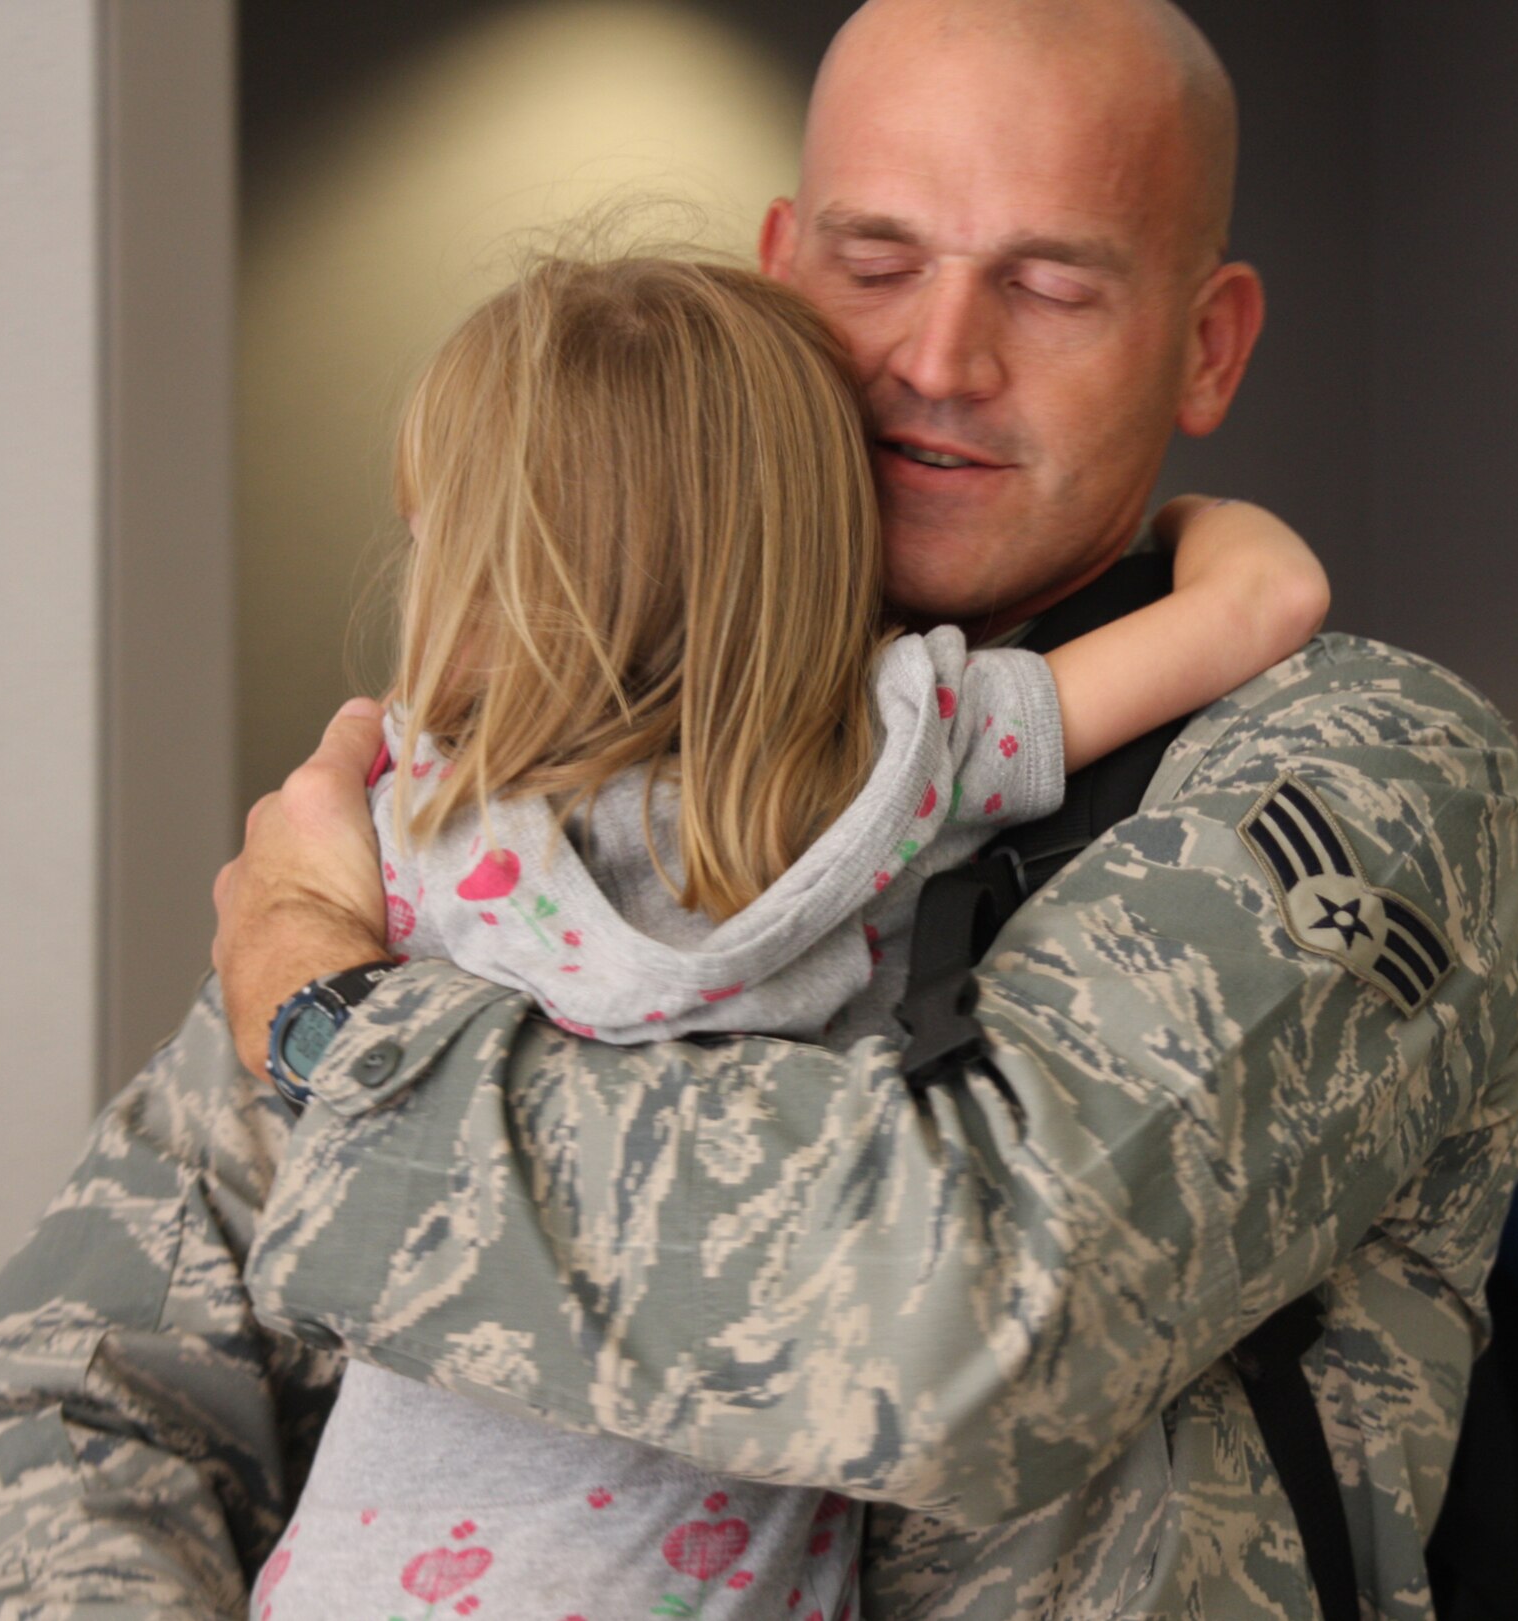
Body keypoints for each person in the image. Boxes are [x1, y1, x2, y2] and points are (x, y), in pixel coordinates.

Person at [0, 2, 1518, 1618]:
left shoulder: (1362, 768)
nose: (938, 359)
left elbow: (968, 1317)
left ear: (1207, 342)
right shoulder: (552, 733)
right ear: (780, 271)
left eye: (1049, 285)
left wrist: (341, 1031)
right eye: (879, 263)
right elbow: (77, 1385)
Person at [258, 246, 1325, 1621]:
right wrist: (1190, 511)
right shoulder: (895, 770)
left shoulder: (401, 819)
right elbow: (1265, 602)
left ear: (478, 564)